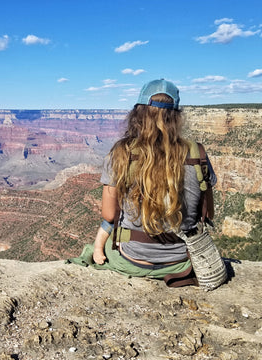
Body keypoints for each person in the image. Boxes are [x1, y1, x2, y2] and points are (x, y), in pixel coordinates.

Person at [78, 79, 217, 284]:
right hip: (183, 261)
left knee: (93, 249)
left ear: (138, 114)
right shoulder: (198, 154)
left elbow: (109, 214)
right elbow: (208, 213)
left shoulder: (121, 154)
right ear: (176, 117)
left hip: (132, 260)